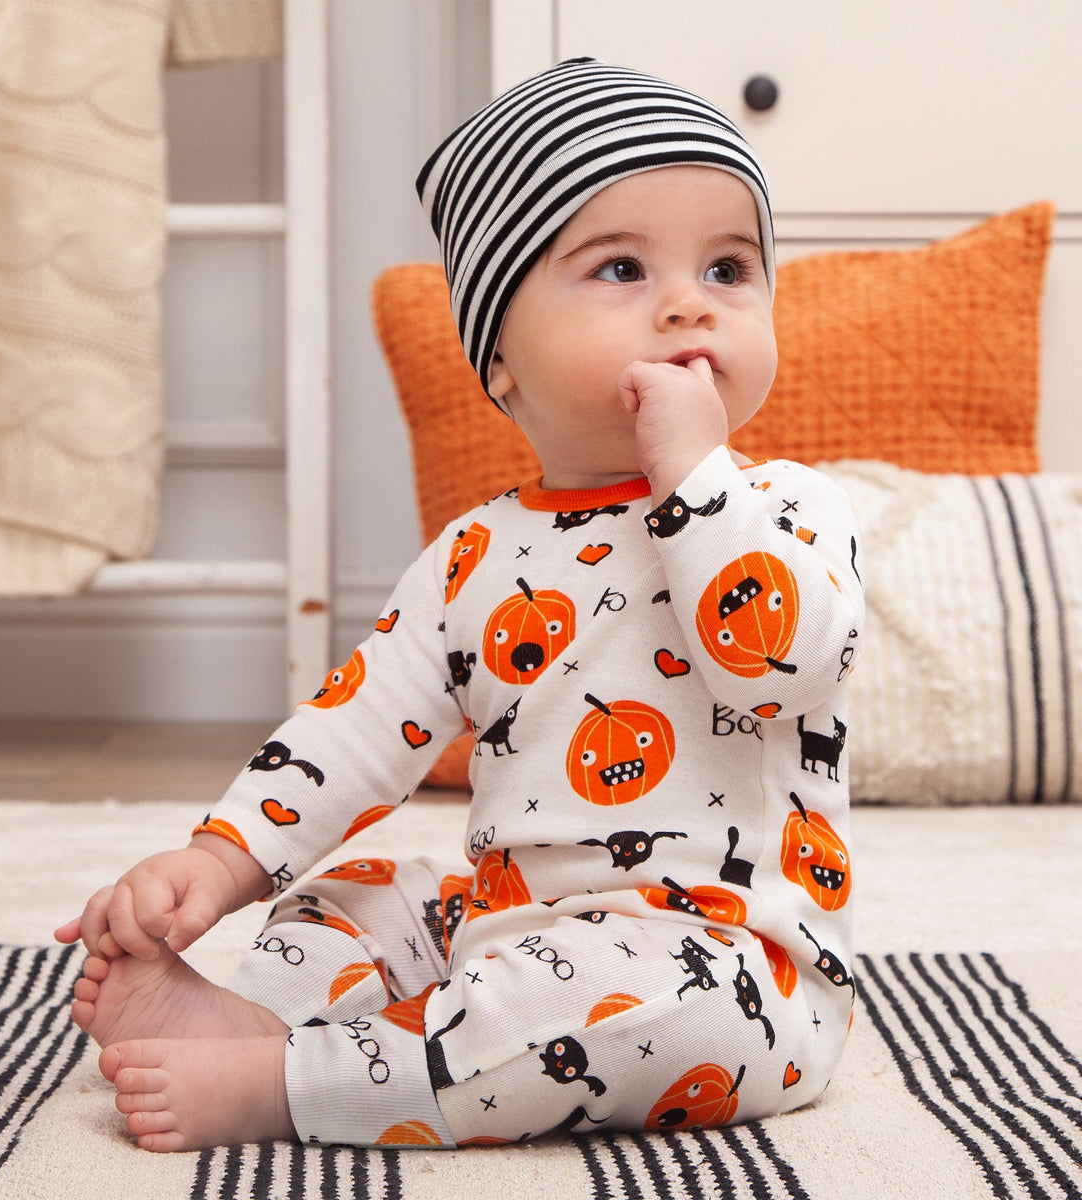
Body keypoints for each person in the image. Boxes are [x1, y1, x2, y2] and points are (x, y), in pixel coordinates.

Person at [55, 57, 863, 1153]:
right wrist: (218, 861)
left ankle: (296, 1084)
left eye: (729, 267)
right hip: (506, 918)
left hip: (731, 966)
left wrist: (694, 478)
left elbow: (776, 665)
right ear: (502, 362)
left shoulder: (787, 509)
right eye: (622, 267)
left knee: (629, 1006)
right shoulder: (474, 556)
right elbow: (351, 734)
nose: (689, 304)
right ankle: (255, 1018)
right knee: (362, 894)